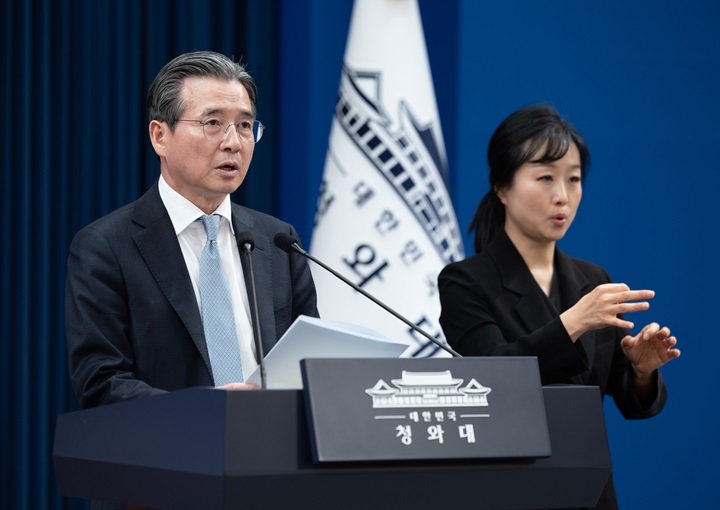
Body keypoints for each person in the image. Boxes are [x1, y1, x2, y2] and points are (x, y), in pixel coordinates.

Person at [437, 104, 680, 510]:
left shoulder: (592, 279)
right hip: (509, 489)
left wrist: (641, 370)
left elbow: (631, 403)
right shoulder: (465, 281)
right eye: (545, 178)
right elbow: (492, 376)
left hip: (590, 492)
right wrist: (573, 322)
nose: (562, 196)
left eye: (574, 179)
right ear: (502, 188)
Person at [65, 51, 318, 409]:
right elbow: (100, 381)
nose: (233, 142)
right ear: (160, 136)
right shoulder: (105, 247)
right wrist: (207, 408)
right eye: (213, 123)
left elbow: (310, 366)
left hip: (271, 440)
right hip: (166, 442)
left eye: (245, 126)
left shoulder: (278, 242)